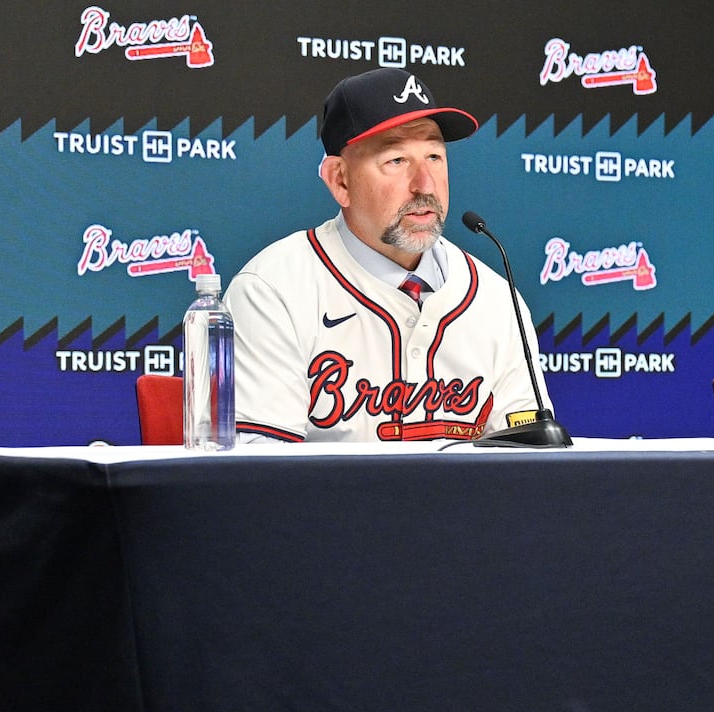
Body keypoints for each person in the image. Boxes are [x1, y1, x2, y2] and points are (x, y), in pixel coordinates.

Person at [225, 68, 552, 443]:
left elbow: (529, 461)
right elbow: (258, 476)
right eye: (396, 160)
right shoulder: (273, 290)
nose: (424, 185)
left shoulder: (496, 299)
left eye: (434, 155)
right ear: (340, 180)